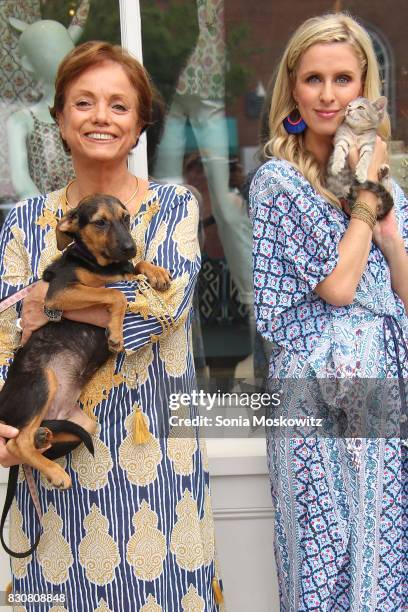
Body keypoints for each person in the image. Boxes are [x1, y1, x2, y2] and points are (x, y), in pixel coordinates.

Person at [0, 41, 223, 611]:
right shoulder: (26, 220)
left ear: (141, 122)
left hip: (157, 467)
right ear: (59, 118)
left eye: (119, 105)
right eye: (84, 102)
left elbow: (160, 307)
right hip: (57, 461)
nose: (101, 117)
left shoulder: (174, 205)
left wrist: (45, 304)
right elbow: (3, 336)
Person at [250, 13, 407, 611]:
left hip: (384, 384)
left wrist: (390, 232)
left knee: (383, 551)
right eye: (313, 78)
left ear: (364, 84)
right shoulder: (279, 182)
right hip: (313, 391)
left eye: (343, 78)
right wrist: (366, 200)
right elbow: (340, 287)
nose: (328, 94)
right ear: (292, 86)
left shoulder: (387, 178)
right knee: (325, 552)